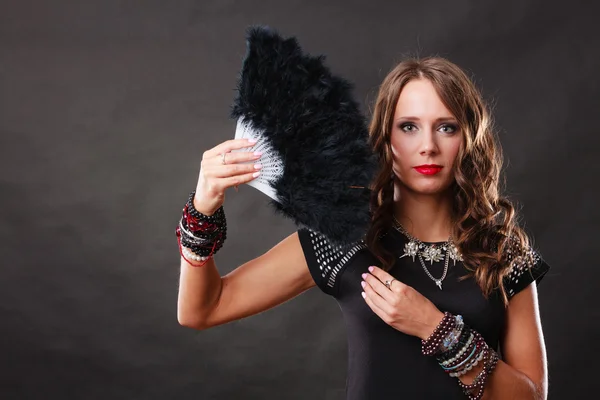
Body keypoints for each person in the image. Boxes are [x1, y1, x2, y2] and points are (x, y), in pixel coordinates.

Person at [175, 57, 550, 399]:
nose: (428, 147)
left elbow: (532, 396)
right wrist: (203, 208)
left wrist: (437, 329)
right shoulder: (344, 238)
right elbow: (202, 310)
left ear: (468, 138)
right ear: (386, 138)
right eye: (409, 127)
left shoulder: (502, 252)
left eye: (446, 128)